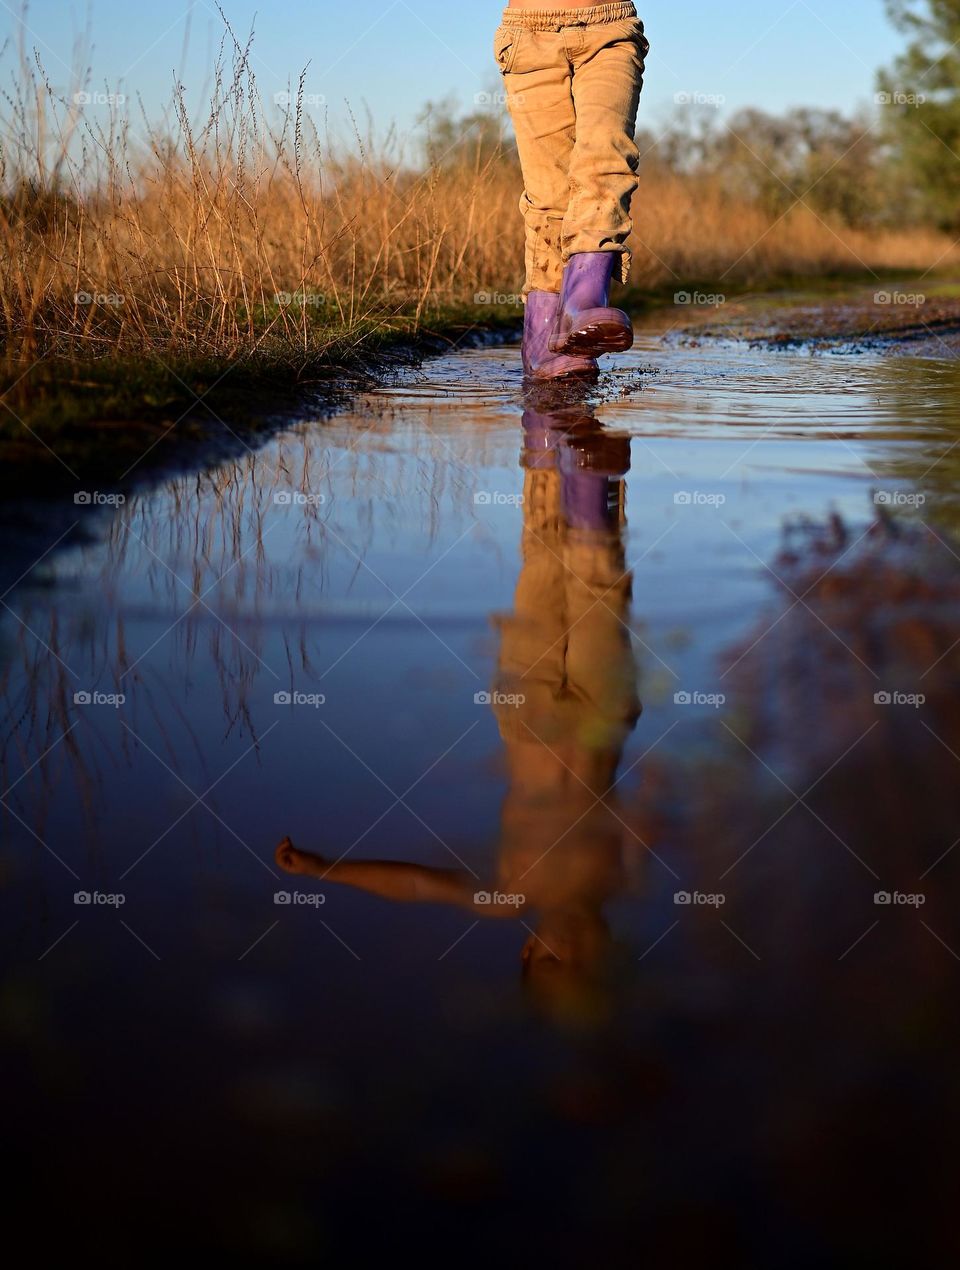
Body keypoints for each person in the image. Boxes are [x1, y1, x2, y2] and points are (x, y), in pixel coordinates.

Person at [276, 399, 644, 1024]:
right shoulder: (628, 885)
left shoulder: (510, 895)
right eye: (591, 968)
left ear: (529, 950)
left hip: (526, 709)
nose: (575, 951)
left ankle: (551, 428)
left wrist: (331, 870)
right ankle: (590, 466)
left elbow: (419, 886)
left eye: (557, 963)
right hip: (600, 713)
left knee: (541, 556)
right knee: (597, 576)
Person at [493, 2, 649, 381]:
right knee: (548, 194)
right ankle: (541, 336)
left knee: (606, 156)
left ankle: (584, 299)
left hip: (609, 29)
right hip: (527, 36)